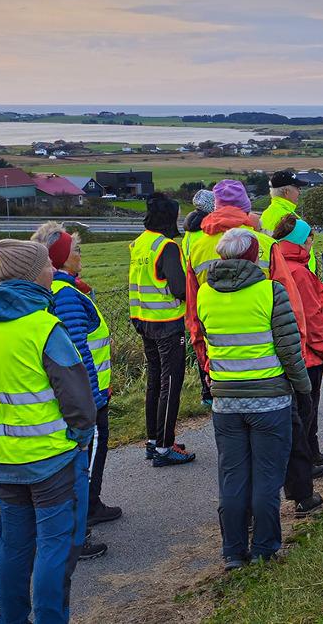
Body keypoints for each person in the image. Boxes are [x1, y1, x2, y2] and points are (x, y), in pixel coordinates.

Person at [0, 240, 97, 624]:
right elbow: (77, 396)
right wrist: (81, 438)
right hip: (51, 457)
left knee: (13, 545)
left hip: (2, 458)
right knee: (55, 546)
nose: (52, 271)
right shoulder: (43, 326)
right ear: (33, 273)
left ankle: (12, 618)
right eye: (46, 267)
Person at [196, 229, 313, 570]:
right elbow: (289, 349)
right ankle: (264, 547)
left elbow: (204, 343)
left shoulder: (204, 294)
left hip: (226, 402)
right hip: (269, 401)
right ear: (252, 257)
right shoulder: (270, 292)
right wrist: (302, 388)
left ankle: (233, 550)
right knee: (266, 476)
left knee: (232, 476)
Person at [34, 222, 122, 554]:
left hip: (86, 391)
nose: (80, 255)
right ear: (60, 258)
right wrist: (92, 397)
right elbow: (76, 351)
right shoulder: (67, 294)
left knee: (85, 460)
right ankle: (80, 525)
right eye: (76, 250)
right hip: (88, 394)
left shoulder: (62, 289)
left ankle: (88, 510)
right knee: (86, 460)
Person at [182, 180, 271, 444]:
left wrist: (204, 360)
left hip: (219, 357)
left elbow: (193, 313)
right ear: (246, 206)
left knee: (232, 444)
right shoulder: (264, 242)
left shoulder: (195, 247)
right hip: (266, 359)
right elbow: (289, 306)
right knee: (268, 437)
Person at [270, 215, 323, 515]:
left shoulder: (278, 265)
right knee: (306, 411)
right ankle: (306, 464)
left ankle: (311, 457)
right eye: (309, 237)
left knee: (298, 413)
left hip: (286, 355)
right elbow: (313, 317)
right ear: (299, 241)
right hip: (307, 356)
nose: (312, 241)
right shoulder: (301, 273)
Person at [128, 194, 193, 468]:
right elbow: (179, 288)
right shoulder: (167, 246)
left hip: (143, 320)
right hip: (167, 323)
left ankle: (154, 441)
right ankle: (166, 447)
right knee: (171, 383)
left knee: (155, 381)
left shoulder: (140, 242)